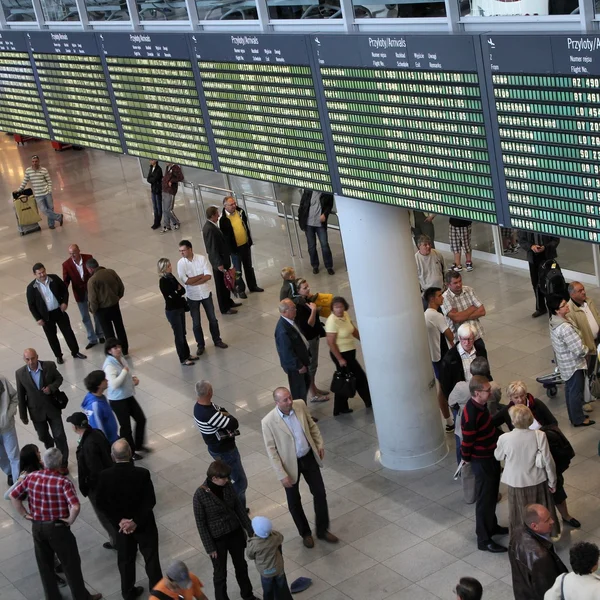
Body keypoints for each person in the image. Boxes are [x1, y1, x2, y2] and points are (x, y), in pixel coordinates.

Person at [10, 448, 102, 600]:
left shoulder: (31, 477)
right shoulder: (63, 482)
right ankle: (81, 597)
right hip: (58, 528)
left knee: (45, 566)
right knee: (70, 564)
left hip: (38, 527)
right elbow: (76, 506)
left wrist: (25, 514)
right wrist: (70, 520)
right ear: (59, 464)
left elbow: (14, 496)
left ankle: (53, 597)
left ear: (43, 462)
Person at [262, 387, 338, 548]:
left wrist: (319, 444)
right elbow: (272, 451)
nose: (290, 402)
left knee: (319, 493)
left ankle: (322, 530)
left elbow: (311, 425)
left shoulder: (300, 405)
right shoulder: (268, 422)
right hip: (289, 464)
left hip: (308, 457)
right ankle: (305, 533)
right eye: (285, 400)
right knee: (294, 501)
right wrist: (281, 474)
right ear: (277, 403)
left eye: (290, 397)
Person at [501, 381, 580, 530]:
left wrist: (540, 436)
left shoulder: (536, 404)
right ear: (510, 397)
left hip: (546, 451)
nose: (520, 400)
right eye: (516, 397)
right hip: (527, 461)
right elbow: (494, 423)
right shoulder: (508, 411)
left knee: (557, 488)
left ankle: (566, 515)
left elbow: (553, 422)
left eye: (522, 396)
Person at [96, 439, 162, 600]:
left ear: (112, 456)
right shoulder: (142, 474)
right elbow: (150, 501)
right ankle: (158, 592)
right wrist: (135, 521)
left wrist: (120, 521)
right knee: (151, 558)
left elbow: (101, 503)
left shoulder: (105, 476)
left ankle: (128, 592)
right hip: (144, 524)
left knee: (125, 560)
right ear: (131, 454)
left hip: (121, 529)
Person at [192, 459, 257, 600]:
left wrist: (250, 529)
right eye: (224, 478)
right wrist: (210, 547)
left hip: (235, 533)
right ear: (214, 478)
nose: (227, 480)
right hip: (217, 540)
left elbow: (239, 508)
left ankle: (248, 595)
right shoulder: (199, 495)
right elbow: (201, 524)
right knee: (220, 574)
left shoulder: (227, 486)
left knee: (241, 566)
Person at [4, 445, 66, 586]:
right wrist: (25, 514)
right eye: (37, 452)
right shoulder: (27, 475)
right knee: (45, 547)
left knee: (51, 544)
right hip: (39, 516)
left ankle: (56, 565)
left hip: (47, 512)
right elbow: (8, 496)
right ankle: (52, 574)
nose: (40, 453)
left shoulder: (39, 468)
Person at [461, 376, 508, 552]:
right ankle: (484, 539)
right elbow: (467, 441)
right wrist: (466, 457)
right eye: (487, 391)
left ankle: (492, 526)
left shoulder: (481, 407)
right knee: (485, 500)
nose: (490, 393)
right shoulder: (471, 414)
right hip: (482, 461)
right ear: (476, 393)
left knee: (492, 494)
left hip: (491, 456)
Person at [494, 405, 558, 534]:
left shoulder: (504, 438)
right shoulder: (540, 435)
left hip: (516, 482)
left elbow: (498, 456)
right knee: (540, 512)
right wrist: (552, 482)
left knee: (519, 512)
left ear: (513, 421)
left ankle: (522, 537)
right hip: (537, 480)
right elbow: (548, 460)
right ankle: (544, 535)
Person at [193, 380, 248, 510]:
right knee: (240, 481)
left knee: (227, 480)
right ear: (210, 393)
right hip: (226, 451)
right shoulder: (209, 414)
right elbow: (233, 423)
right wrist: (227, 416)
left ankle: (235, 506)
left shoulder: (198, 407)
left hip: (215, 448)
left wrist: (224, 414)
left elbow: (221, 411)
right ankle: (236, 508)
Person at [66, 411, 116, 550]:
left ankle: (117, 542)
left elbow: (94, 469)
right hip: (109, 477)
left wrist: (88, 486)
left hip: (98, 487)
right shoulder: (97, 433)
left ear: (76, 427)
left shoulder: (87, 445)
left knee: (105, 516)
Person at [15, 348, 69, 470]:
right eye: (27, 359)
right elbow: (20, 395)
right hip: (36, 411)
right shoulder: (20, 373)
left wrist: (51, 387)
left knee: (59, 435)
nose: (30, 362)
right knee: (43, 436)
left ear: (37, 356)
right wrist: (23, 415)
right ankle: (51, 451)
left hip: (52, 407)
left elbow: (59, 378)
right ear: (24, 359)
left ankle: (62, 462)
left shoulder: (49, 365)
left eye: (33, 358)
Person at [547, 294, 594, 427]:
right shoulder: (565, 328)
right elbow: (578, 349)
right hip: (573, 364)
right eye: (563, 305)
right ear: (557, 310)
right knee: (575, 391)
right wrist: (588, 350)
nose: (567, 305)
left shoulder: (554, 320)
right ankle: (578, 419)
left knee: (569, 390)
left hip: (564, 363)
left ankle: (574, 415)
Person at [26, 262, 86, 364]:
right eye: (39, 273)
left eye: (43, 271)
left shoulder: (54, 278)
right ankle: (58, 356)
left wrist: (64, 302)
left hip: (59, 311)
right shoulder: (31, 288)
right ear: (34, 274)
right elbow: (31, 305)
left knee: (68, 333)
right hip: (46, 316)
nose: (42, 274)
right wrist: (38, 318)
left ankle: (75, 352)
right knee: (52, 337)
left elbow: (64, 291)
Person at [177, 239, 228, 355]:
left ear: (190, 249)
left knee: (213, 319)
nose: (182, 253)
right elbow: (186, 281)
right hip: (192, 296)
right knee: (196, 323)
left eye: (183, 250)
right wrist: (200, 277)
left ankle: (217, 340)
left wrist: (193, 280)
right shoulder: (181, 264)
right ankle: (200, 345)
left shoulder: (201, 259)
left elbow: (208, 276)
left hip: (205, 293)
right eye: (180, 251)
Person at [508, 504, 567, 600]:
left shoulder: (517, 532)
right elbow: (548, 589)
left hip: (522, 592)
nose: (552, 521)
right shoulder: (541, 557)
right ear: (534, 526)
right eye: (547, 520)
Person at [103, 338, 149, 460]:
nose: (118, 349)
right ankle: (130, 452)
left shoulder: (121, 359)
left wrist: (133, 378)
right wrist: (124, 372)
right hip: (118, 400)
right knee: (126, 427)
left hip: (127, 396)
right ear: (109, 351)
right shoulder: (109, 365)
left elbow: (127, 374)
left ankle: (139, 445)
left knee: (141, 419)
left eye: (119, 346)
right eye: (115, 348)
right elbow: (114, 384)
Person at [325, 296, 372, 416]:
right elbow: (331, 342)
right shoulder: (331, 322)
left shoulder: (345, 315)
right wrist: (340, 359)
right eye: (336, 307)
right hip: (341, 354)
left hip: (350, 353)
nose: (339, 310)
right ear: (332, 308)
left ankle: (343, 407)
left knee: (350, 378)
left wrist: (362, 339)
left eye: (340, 306)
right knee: (354, 378)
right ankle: (366, 402)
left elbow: (352, 329)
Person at [450, 357, 501, 464]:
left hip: (466, 429)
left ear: (471, 372)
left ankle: (463, 468)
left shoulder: (460, 387)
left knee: (462, 446)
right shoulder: (494, 387)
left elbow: (451, 402)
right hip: (489, 427)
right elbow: (497, 400)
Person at [219, 196, 264, 298]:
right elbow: (224, 237)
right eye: (231, 204)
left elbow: (245, 226)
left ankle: (253, 285)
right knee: (237, 270)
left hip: (245, 245)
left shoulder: (240, 212)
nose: (234, 206)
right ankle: (241, 289)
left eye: (234, 203)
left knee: (249, 267)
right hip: (234, 249)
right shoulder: (223, 219)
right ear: (225, 206)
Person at [157, 258, 199, 366]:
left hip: (180, 308)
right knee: (178, 335)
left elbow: (182, 290)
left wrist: (177, 291)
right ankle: (183, 358)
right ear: (163, 268)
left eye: (170, 265)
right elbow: (171, 296)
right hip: (172, 311)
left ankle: (187, 354)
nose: (170, 267)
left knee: (183, 333)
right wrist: (177, 291)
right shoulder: (163, 281)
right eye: (168, 266)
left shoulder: (171, 277)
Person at [424, 287, 455, 431]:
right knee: (445, 388)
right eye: (439, 296)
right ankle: (450, 419)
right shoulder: (436, 316)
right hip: (442, 357)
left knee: (442, 387)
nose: (442, 298)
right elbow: (449, 334)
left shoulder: (425, 315)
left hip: (434, 357)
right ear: (432, 299)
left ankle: (449, 421)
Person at [62, 244, 104, 350]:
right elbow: (66, 281)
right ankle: (92, 338)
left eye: (74, 253)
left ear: (79, 251)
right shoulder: (66, 264)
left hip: (92, 292)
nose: (73, 256)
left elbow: (95, 273)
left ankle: (100, 334)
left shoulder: (88, 258)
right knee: (85, 317)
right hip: (79, 294)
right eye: (70, 254)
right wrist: (62, 294)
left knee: (96, 313)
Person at [294, 279, 329, 403]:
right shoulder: (300, 305)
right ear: (298, 291)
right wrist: (314, 310)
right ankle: (313, 394)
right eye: (304, 288)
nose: (308, 289)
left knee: (314, 364)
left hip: (314, 336)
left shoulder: (306, 300)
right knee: (311, 366)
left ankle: (314, 388)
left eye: (307, 286)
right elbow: (309, 324)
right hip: (309, 339)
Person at [202, 206, 242, 315]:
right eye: (217, 214)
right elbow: (212, 248)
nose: (219, 215)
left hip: (222, 259)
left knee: (226, 283)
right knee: (221, 285)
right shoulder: (209, 228)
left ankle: (228, 302)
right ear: (213, 215)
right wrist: (218, 263)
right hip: (218, 262)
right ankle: (224, 307)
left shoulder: (212, 226)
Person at [87, 258, 129, 356]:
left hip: (102, 310)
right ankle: (125, 349)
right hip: (115, 305)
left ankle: (113, 352)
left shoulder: (92, 281)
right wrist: (118, 297)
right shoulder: (111, 272)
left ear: (90, 269)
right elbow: (121, 286)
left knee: (108, 332)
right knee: (120, 328)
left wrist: (93, 310)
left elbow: (93, 299)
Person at [247, 516, 292, 600]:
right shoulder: (274, 538)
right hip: (278, 569)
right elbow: (281, 537)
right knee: (282, 586)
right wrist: (271, 532)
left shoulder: (253, 544)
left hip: (266, 572)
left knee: (268, 591)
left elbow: (250, 556)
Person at [275, 299, 311, 404]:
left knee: (305, 386)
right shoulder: (282, 330)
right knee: (299, 391)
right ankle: (300, 415)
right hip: (295, 367)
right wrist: (298, 366)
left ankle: (303, 412)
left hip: (302, 361)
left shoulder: (290, 321)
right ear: (284, 312)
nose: (296, 310)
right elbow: (286, 352)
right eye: (293, 308)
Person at [440, 323, 487, 401]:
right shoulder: (450, 358)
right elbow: (446, 385)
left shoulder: (480, 350)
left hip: (481, 393)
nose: (467, 342)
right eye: (464, 339)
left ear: (474, 338)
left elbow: (486, 371)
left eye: (470, 339)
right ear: (459, 338)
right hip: (463, 397)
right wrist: (454, 404)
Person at [518, 231, 560, 318]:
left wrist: (545, 247)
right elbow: (522, 241)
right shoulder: (525, 224)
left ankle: (554, 307)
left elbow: (556, 240)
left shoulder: (546, 222)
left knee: (551, 283)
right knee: (536, 283)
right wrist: (531, 246)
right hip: (533, 258)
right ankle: (541, 308)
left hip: (547, 257)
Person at [16, 154, 63, 229]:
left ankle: (51, 225)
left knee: (50, 208)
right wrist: (19, 190)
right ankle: (59, 217)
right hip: (38, 195)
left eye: (36, 161)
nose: (34, 163)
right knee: (44, 210)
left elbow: (49, 181)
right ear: (31, 162)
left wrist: (49, 190)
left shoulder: (44, 170)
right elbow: (25, 181)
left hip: (47, 193)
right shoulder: (28, 171)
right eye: (33, 161)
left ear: (39, 161)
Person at [567, 281, 600, 377]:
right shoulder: (570, 311)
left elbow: (597, 316)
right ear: (572, 294)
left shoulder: (589, 301)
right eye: (580, 291)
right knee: (592, 373)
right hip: (589, 346)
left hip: (598, 341)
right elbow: (575, 333)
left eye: (583, 289)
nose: (584, 292)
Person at [298, 188, 335, 275]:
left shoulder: (327, 192)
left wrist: (325, 214)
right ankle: (315, 265)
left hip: (320, 223)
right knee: (311, 246)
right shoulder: (308, 191)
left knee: (324, 245)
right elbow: (302, 205)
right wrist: (301, 220)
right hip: (308, 223)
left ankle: (329, 266)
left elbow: (329, 205)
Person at [442, 271, 486, 340]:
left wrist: (461, 316)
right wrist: (472, 308)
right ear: (448, 285)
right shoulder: (445, 298)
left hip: (476, 335)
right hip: (460, 339)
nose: (459, 284)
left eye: (460, 281)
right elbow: (456, 318)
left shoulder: (469, 290)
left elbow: (482, 311)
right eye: (455, 283)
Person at [82, 369, 120, 444]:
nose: (107, 380)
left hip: (113, 438)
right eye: (104, 379)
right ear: (99, 384)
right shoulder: (95, 405)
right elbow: (98, 429)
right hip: (108, 443)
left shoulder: (101, 397)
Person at [0, 375, 20, 486]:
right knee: (1, 456)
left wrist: (8, 415)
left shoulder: (2, 380)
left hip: (7, 426)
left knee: (14, 455)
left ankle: (18, 484)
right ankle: (9, 473)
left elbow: (14, 397)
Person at [161, 163, 184, 233]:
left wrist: (172, 181)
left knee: (168, 210)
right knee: (164, 210)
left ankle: (176, 222)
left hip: (170, 191)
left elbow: (181, 177)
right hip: (164, 190)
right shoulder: (167, 167)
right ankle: (167, 225)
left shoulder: (176, 167)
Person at [147, 159, 163, 230]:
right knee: (154, 207)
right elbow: (148, 178)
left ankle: (158, 221)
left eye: (152, 160)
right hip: (153, 189)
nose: (150, 161)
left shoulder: (159, 169)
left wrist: (151, 179)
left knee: (159, 207)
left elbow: (153, 179)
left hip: (157, 190)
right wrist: (151, 179)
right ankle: (155, 221)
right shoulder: (151, 167)